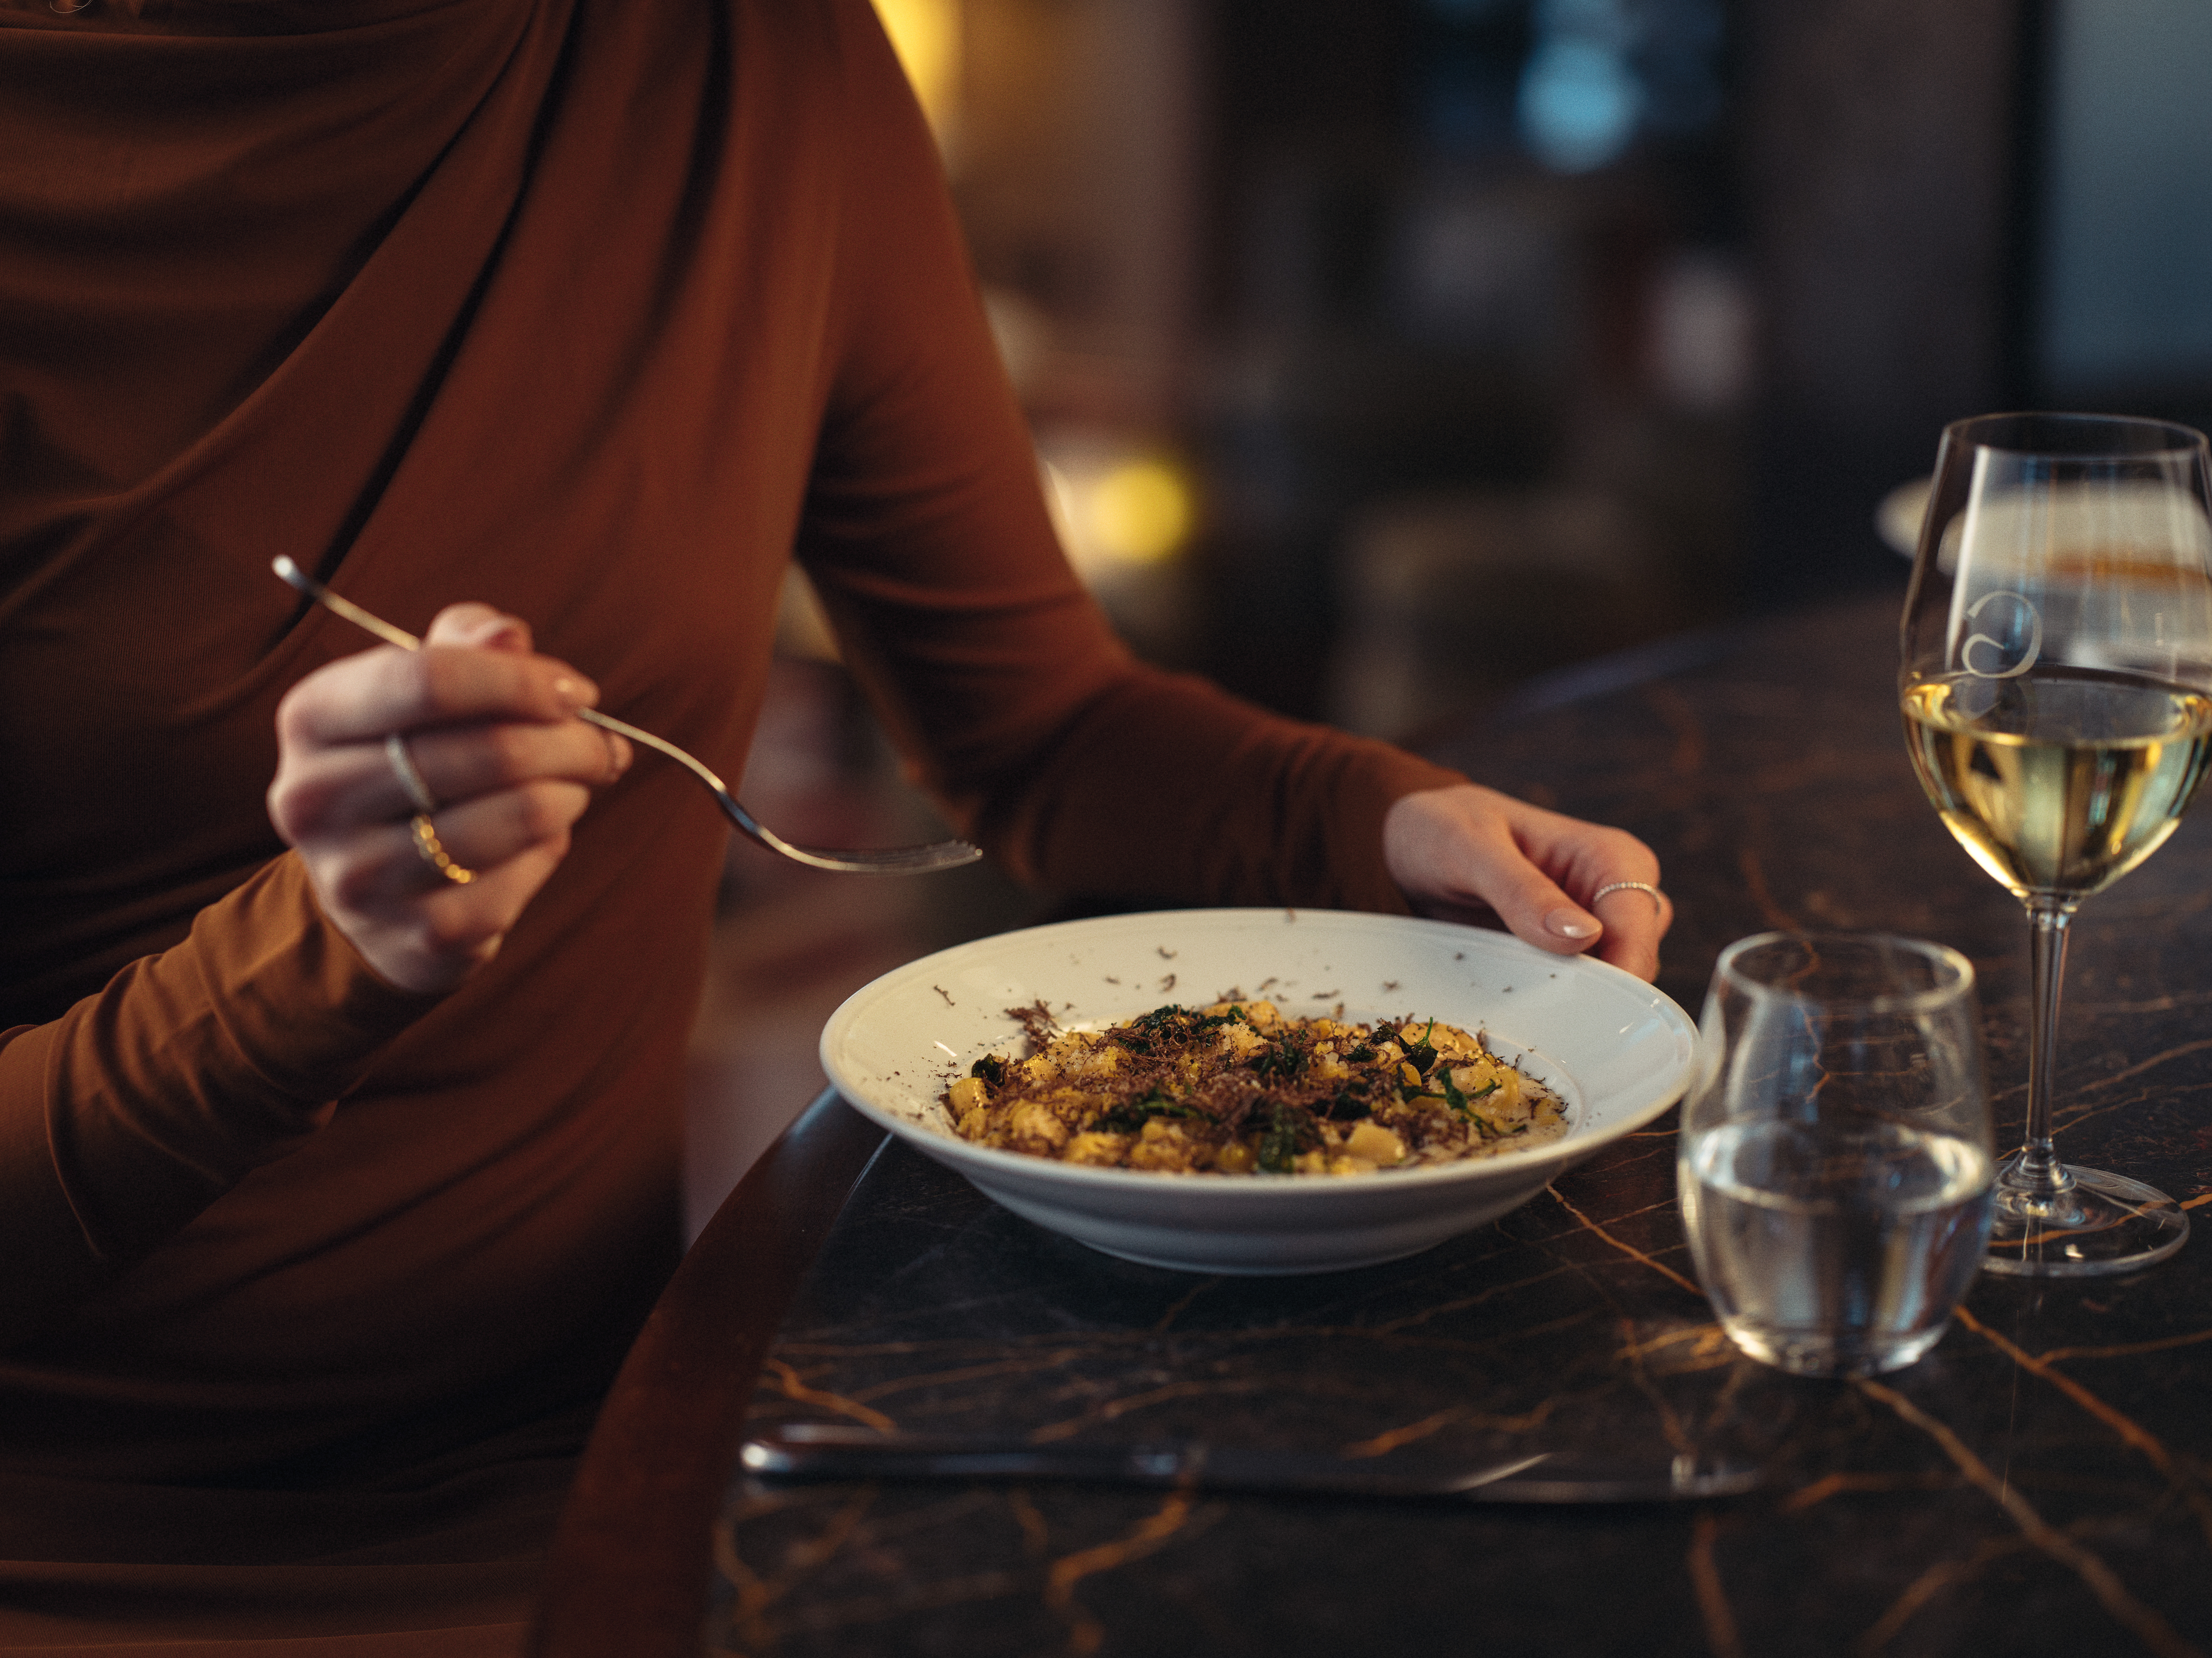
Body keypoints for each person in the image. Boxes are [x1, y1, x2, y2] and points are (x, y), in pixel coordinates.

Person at [0, 0, 1668, 1649]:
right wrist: (314, 970)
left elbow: (1041, 727)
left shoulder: (750, 63)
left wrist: (1392, 820)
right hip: (91, 1543)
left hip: (626, 1458)